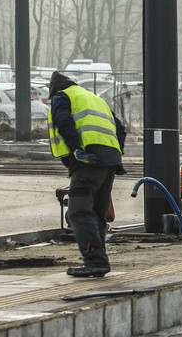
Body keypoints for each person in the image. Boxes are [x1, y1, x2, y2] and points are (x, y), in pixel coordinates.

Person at [47, 71, 126, 279]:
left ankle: (95, 261)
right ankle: (97, 261)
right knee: (96, 214)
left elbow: (63, 120)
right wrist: (116, 153)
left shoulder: (62, 96)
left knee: (79, 213)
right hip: (108, 162)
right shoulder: (95, 99)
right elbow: (120, 128)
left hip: (87, 161)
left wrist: (75, 148)